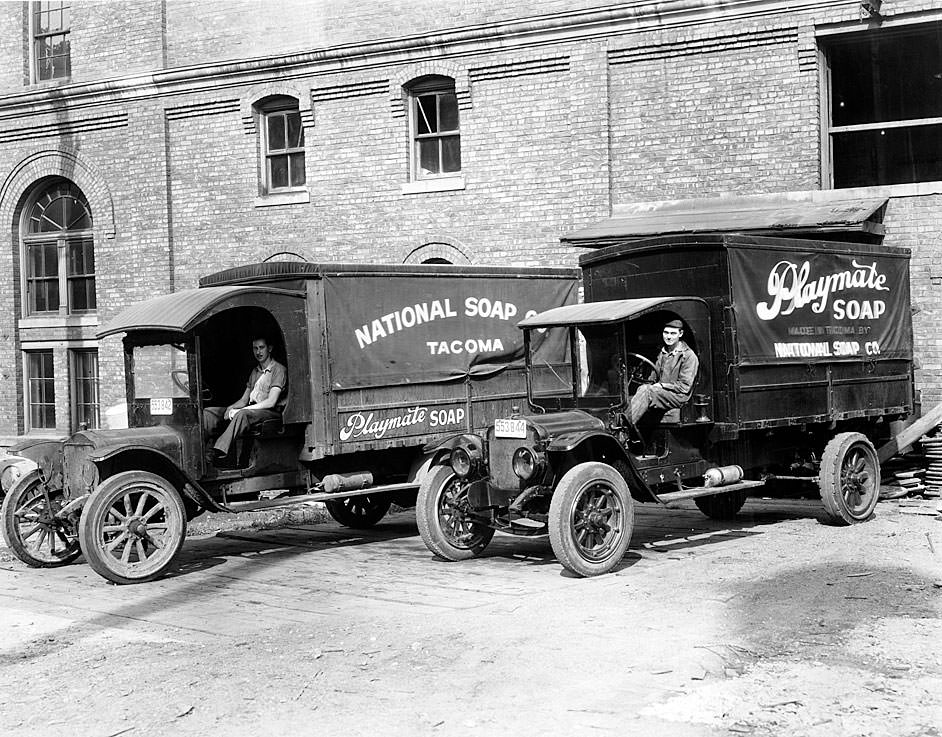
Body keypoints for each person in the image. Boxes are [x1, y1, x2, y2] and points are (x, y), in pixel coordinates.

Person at [203, 335, 288, 465]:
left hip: (269, 412)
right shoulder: (255, 371)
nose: (258, 352)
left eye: (261, 348)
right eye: (255, 348)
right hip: (252, 410)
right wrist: (230, 409)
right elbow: (244, 400)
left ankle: (217, 451)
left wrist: (243, 409)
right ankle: (199, 447)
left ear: (269, 348)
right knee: (209, 412)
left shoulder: (278, 369)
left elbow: (271, 401)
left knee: (242, 414)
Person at [628, 319, 698, 426]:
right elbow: (652, 379)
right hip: (663, 394)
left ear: (681, 334)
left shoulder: (688, 356)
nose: (668, 337)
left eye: (673, 333)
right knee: (631, 396)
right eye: (666, 333)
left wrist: (661, 385)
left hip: (679, 397)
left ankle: (624, 428)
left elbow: (684, 387)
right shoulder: (662, 353)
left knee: (648, 392)